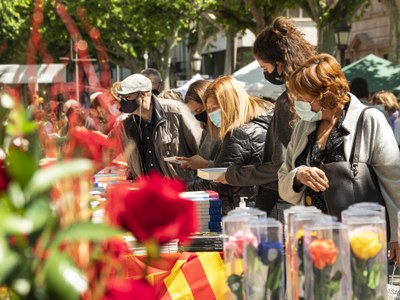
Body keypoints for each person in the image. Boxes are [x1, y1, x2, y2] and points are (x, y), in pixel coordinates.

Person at [277, 53, 400, 262]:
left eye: (304, 97)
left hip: (360, 243)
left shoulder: (369, 119)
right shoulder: (303, 127)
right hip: (312, 243)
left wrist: (397, 234)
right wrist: (298, 176)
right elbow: (283, 179)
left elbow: (394, 181)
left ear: (325, 93)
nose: (298, 103)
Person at [215, 16, 317, 217]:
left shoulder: (288, 101)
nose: (266, 74)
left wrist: (236, 175)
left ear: (279, 64)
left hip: (283, 202)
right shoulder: (301, 98)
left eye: (264, 68)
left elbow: (281, 166)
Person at [187, 76, 274, 215]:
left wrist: (183, 188)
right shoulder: (264, 119)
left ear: (229, 104)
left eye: (214, 108)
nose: (211, 114)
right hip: (263, 206)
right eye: (208, 110)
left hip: (245, 211)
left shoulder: (238, 133)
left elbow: (217, 180)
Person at [108, 73, 202, 182]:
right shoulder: (125, 125)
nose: (123, 101)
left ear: (144, 94)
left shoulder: (176, 112)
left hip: (179, 192)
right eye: (121, 97)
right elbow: (104, 153)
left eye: (128, 96)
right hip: (147, 193)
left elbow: (200, 151)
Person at [180, 79, 220, 170]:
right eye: (193, 112)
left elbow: (230, 168)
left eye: (199, 110)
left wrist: (204, 164)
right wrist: (192, 164)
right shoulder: (206, 129)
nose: (197, 115)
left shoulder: (225, 128)